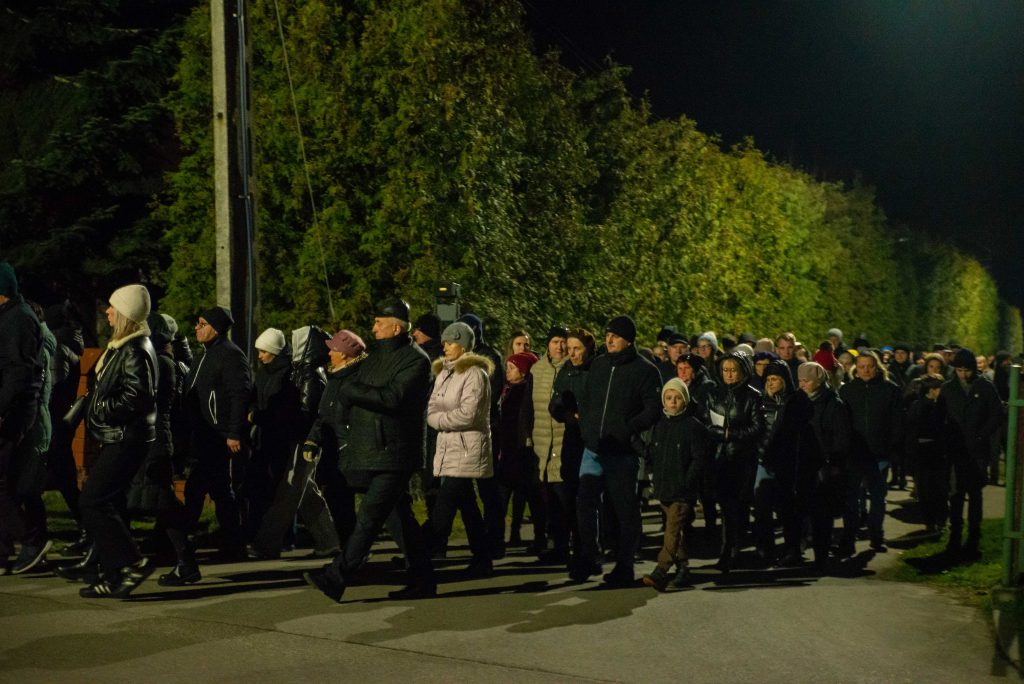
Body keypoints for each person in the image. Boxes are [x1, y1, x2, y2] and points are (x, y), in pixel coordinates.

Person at [305, 299, 434, 601]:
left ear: (396, 327)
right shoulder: (375, 357)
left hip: (396, 453)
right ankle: (424, 580)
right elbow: (351, 389)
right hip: (374, 451)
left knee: (369, 516)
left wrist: (350, 390)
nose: (373, 328)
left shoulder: (416, 361)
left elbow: (392, 398)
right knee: (400, 521)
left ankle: (337, 576)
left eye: (379, 323)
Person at [70, 285, 158, 598]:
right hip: (120, 436)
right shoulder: (122, 346)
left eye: (112, 307)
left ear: (125, 313)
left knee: (91, 501)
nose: (107, 311)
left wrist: (101, 408)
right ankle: (112, 575)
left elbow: (137, 396)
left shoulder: (135, 349)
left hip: (127, 438)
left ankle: (133, 562)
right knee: (112, 503)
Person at [159, 306, 251, 585]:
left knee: (199, 487)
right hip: (204, 434)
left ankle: (183, 542)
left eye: (202, 324)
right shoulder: (206, 354)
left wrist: (234, 432)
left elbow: (240, 394)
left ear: (216, 327)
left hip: (217, 434)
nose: (197, 328)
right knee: (219, 489)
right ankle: (231, 542)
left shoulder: (231, 355)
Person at [573, 315, 661, 585]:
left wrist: (627, 428)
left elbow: (652, 409)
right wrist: (587, 429)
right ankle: (589, 557)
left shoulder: (645, 371)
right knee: (584, 503)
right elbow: (588, 399)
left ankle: (624, 565)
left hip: (621, 452)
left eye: (615, 336)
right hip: (594, 448)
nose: (609, 340)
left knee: (625, 510)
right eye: (607, 335)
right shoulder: (599, 365)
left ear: (629, 340)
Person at [250, 326, 340, 560]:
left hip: (304, 440)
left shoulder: (310, 375)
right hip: (301, 439)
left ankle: (266, 544)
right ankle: (329, 542)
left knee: (289, 490)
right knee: (306, 492)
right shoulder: (304, 372)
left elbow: (306, 413)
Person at [424, 321, 496, 576]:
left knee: (444, 506)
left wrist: (439, 421)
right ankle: (482, 557)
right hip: (449, 447)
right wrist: (438, 419)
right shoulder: (444, 373)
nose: (445, 346)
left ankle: (419, 553)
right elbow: (431, 407)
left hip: (466, 449)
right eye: (444, 342)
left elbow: (468, 415)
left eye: (451, 342)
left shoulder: (475, 375)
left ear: (464, 346)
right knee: (467, 506)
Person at [641, 379, 710, 591]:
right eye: (669, 398)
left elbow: (699, 459)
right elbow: (653, 454)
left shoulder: (693, 427)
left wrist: (687, 483)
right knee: (676, 531)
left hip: (682, 491)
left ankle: (661, 570)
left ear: (685, 401)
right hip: (664, 487)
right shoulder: (660, 425)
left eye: (678, 398)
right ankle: (683, 568)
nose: (673, 402)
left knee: (671, 530)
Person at [0, 262, 45, 576]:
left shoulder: (18, 319)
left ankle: (32, 538)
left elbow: (19, 372)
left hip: (11, 414)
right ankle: (3, 553)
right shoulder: (11, 317)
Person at [838, 350, 902, 553]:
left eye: (870, 366)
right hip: (854, 454)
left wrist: (892, 448)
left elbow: (897, 422)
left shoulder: (890, 390)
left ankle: (876, 536)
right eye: (862, 367)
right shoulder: (847, 391)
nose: (866, 370)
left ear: (877, 368)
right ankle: (849, 539)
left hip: (879, 453)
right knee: (852, 498)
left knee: (877, 498)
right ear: (856, 369)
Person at [706, 352, 765, 572]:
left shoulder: (752, 396)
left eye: (733, 370)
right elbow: (704, 420)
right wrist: (714, 432)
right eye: (725, 370)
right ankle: (728, 550)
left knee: (739, 506)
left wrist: (729, 434)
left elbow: (758, 428)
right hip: (720, 458)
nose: (729, 375)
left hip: (743, 458)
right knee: (726, 506)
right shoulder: (714, 394)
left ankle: (735, 549)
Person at [942, 348, 1002, 558]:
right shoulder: (948, 388)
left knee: (975, 494)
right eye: (959, 370)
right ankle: (955, 537)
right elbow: (941, 416)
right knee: (956, 494)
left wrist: (981, 436)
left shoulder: (984, 387)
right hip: (956, 449)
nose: (963, 374)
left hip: (976, 450)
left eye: (966, 370)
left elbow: (996, 414)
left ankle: (973, 538)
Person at [797, 362, 851, 572]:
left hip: (824, 466)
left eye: (807, 381)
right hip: (802, 465)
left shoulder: (833, 404)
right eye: (800, 380)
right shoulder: (798, 402)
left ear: (818, 382)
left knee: (822, 514)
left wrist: (834, 463)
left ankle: (821, 555)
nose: (802, 384)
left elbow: (841, 437)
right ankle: (799, 550)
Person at [549, 327, 595, 572]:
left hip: (593, 440)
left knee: (588, 497)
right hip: (572, 438)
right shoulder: (566, 371)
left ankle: (590, 550)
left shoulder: (597, 371)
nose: (572, 353)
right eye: (570, 349)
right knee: (571, 494)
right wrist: (565, 414)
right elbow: (554, 403)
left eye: (577, 349)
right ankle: (576, 547)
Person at [528, 324, 570, 558]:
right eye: (555, 342)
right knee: (543, 497)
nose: (559, 347)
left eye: (563, 342)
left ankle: (562, 544)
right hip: (541, 443)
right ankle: (546, 540)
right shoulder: (536, 370)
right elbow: (528, 407)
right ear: (548, 344)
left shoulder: (572, 369)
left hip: (564, 442)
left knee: (562, 495)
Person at [494, 350, 539, 557]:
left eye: (512, 368)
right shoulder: (507, 390)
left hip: (520, 451)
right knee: (501, 498)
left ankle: (537, 537)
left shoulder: (524, 393)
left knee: (528, 496)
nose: (508, 372)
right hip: (506, 451)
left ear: (523, 371)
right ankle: (497, 540)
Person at [752, 360, 793, 564]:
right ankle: (765, 548)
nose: (770, 383)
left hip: (786, 463)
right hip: (764, 460)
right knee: (762, 508)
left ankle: (791, 548)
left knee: (787, 509)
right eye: (768, 379)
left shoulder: (793, 403)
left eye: (774, 379)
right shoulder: (760, 402)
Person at [907, 374, 948, 534]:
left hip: (923, 451)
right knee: (935, 488)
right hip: (932, 451)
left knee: (927, 488)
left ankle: (931, 521)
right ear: (932, 390)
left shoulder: (917, 405)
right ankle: (938, 520)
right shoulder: (931, 407)